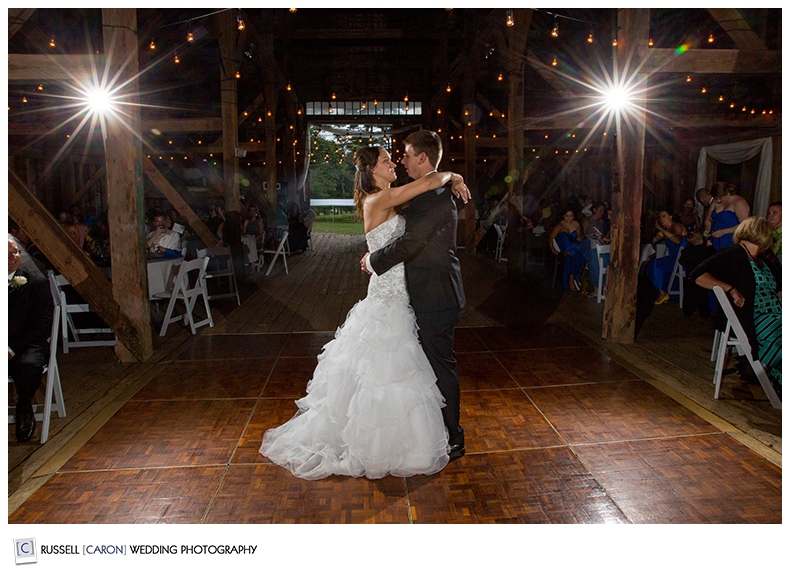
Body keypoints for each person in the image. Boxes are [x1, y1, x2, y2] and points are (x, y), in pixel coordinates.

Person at [260, 141, 470, 480]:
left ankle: (408, 437)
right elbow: (429, 182)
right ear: (371, 170)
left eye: (395, 158)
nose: (395, 164)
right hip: (390, 296)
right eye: (387, 161)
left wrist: (452, 177)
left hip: (405, 293)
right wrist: (451, 175)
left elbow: (425, 193)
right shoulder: (380, 198)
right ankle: (383, 442)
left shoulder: (393, 195)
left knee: (404, 370)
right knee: (387, 370)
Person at [364, 131, 469, 461]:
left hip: (435, 296)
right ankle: (422, 431)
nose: (401, 160)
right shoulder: (423, 194)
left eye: (407, 155)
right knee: (418, 366)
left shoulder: (433, 196)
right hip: (419, 293)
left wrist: (373, 261)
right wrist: (453, 175)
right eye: (391, 159)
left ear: (423, 158)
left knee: (440, 367)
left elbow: (412, 243)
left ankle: (454, 436)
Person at [690, 217, 781, 396]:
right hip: (756, 318)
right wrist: (730, 289)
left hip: (776, 316)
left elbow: (776, 290)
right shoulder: (734, 253)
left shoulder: (762, 260)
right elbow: (697, 275)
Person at [8, 235, 54, 442]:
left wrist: (10, 349)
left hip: (27, 344)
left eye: (15, 252)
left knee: (28, 365)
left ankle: (24, 406)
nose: (12, 257)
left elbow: (41, 324)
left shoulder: (36, 283)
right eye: (6, 254)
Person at [646, 209, 687, 305]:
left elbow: (677, 241)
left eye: (664, 216)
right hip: (673, 259)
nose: (661, 219)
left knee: (655, 264)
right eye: (659, 217)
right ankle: (662, 292)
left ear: (670, 217)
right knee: (651, 265)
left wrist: (661, 229)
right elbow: (654, 239)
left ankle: (662, 293)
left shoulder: (676, 226)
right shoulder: (664, 231)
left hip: (681, 259)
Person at [549, 207, 589, 291]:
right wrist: (553, 250)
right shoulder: (559, 226)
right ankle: (574, 277)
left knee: (576, 254)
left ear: (573, 216)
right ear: (563, 216)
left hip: (573, 247)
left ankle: (571, 277)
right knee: (580, 253)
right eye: (566, 216)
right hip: (564, 248)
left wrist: (580, 238)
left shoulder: (576, 224)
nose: (568, 218)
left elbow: (580, 236)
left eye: (570, 216)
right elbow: (551, 238)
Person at [704, 181, 750, 250]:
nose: (718, 201)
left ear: (727, 193)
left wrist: (724, 231)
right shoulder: (716, 201)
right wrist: (707, 228)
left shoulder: (739, 203)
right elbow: (709, 218)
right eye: (716, 198)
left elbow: (745, 225)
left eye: (721, 198)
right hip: (714, 238)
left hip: (730, 239)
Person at [584, 201, 609, 298]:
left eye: (603, 211)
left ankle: (604, 287)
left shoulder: (601, 222)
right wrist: (593, 235)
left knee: (604, 262)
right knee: (594, 263)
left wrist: (601, 238)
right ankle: (596, 289)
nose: (602, 212)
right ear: (594, 210)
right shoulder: (587, 220)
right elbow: (584, 235)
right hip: (590, 243)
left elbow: (603, 236)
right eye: (600, 210)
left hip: (600, 243)